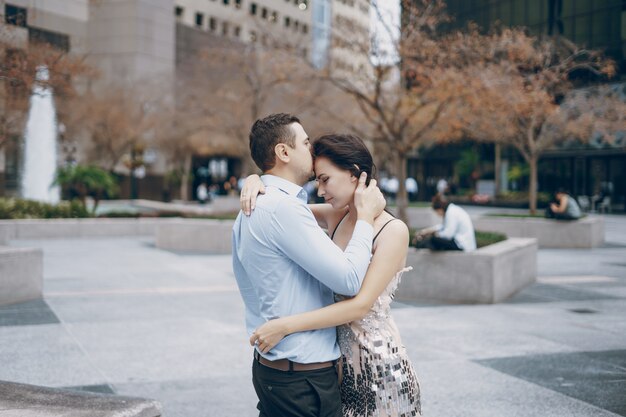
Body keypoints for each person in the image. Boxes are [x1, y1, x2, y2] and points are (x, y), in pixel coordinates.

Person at [242, 133, 422, 417]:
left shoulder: (393, 230)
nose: (321, 190)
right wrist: (257, 181)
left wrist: (285, 326)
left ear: (354, 174)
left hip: (379, 369)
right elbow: (280, 208)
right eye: (317, 181)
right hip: (337, 369)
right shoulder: (335, 215)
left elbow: (359, 306)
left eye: (325, 179)